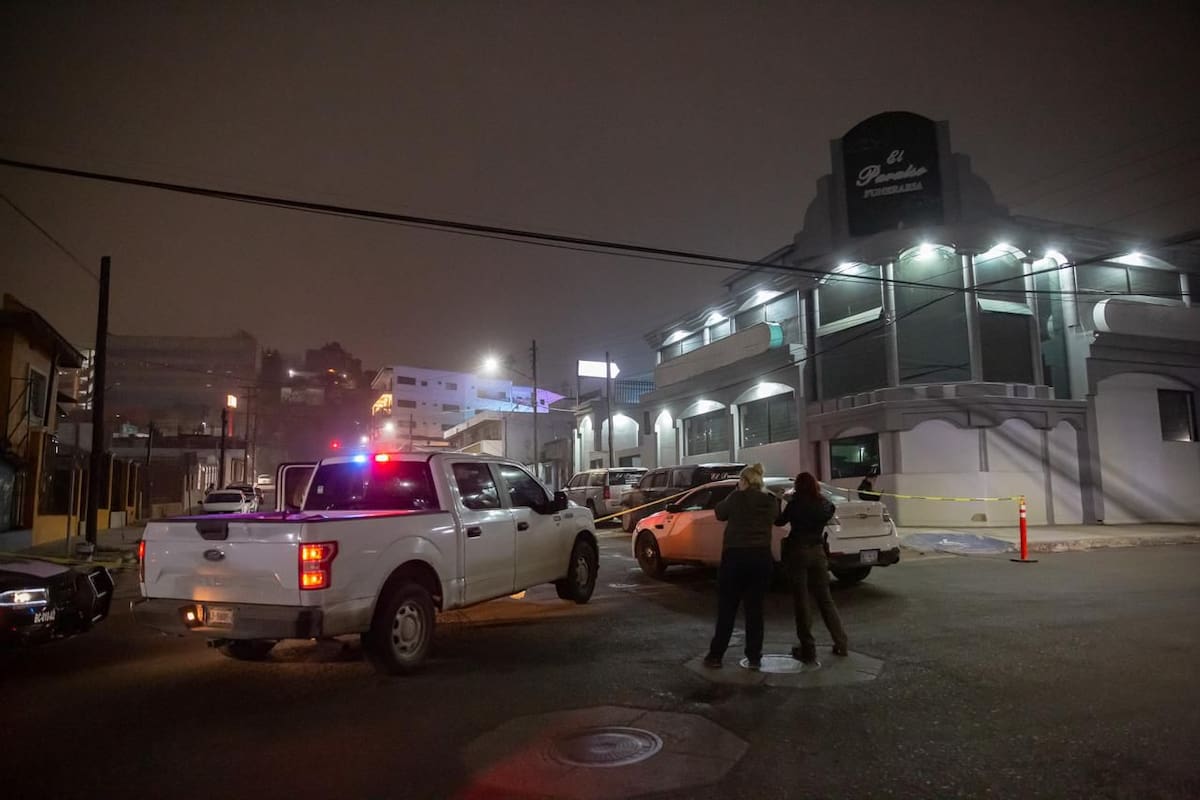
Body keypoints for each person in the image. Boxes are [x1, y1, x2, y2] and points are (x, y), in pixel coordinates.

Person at [703, 463, 778, 671]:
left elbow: (719, 513)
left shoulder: (736, 498)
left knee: (727, 609)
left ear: (744, 481)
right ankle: (754, 656)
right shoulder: (769, 500)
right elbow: (776, 518)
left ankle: (716, 656)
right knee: (755, 610)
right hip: (761, 557)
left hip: (735, 557)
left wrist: (736, 492)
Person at [777, 472, 848, 664]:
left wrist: (782, 499)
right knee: (825, 599)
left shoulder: (795, 504)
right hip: (818, 552)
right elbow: (831, 508)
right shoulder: (823, 504)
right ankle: (841, 642)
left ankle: (808, 648)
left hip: (798, 551)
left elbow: (779, 521)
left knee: (802, 600)